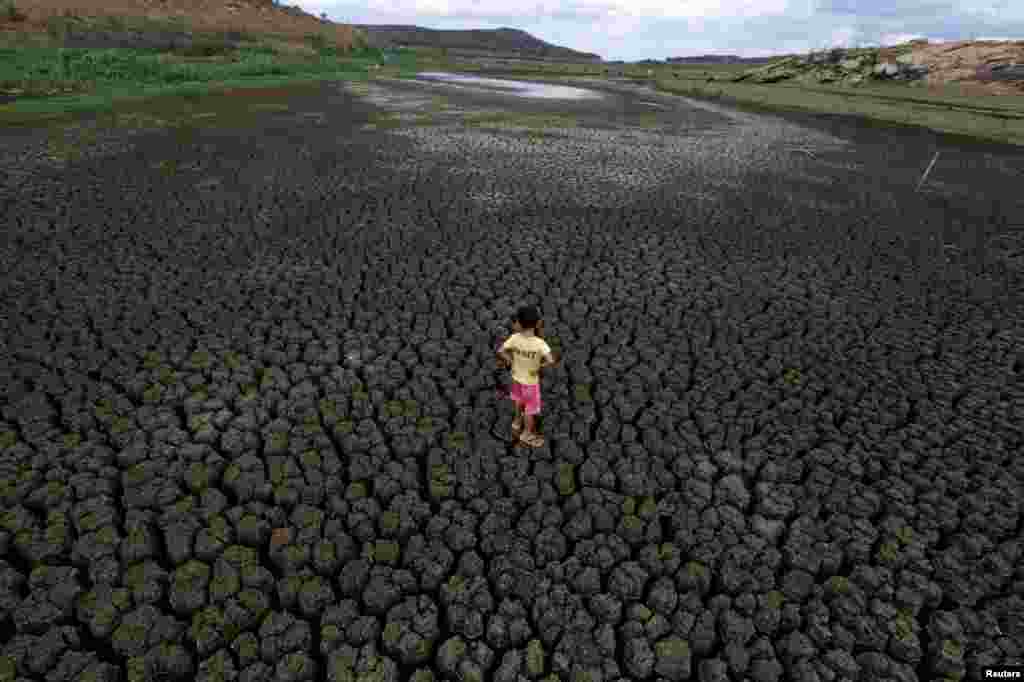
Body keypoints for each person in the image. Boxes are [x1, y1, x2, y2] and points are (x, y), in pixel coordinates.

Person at [496, 305, 558, 448]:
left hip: (516, 377)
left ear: (519, 323)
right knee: (530, 410)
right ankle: (527, 434)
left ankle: (517, 422)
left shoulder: (514, 338)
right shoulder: (540, 344)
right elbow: (551, 360)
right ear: (537, 323)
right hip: (530, 382)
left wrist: (511, 361)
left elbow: (501, 351)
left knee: (518, 400)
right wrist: (539, 368)